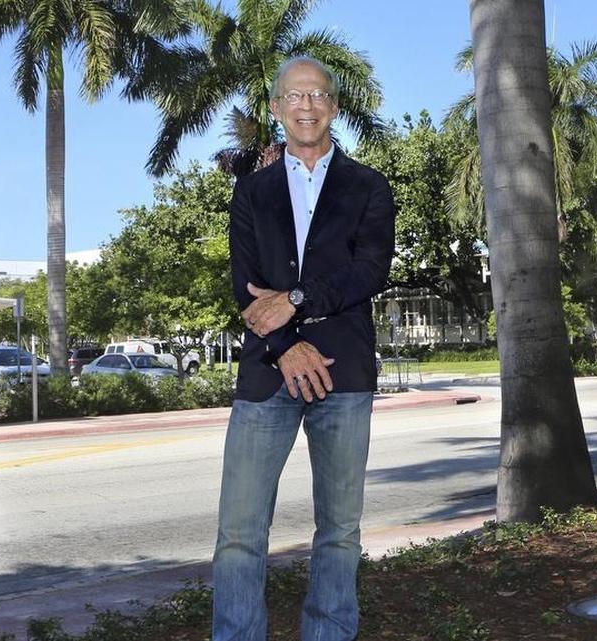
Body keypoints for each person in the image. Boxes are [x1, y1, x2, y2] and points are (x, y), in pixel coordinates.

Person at [212, 56, 395, 641]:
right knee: (239, 534)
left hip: (344, 375)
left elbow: (370, 271)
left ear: (334, 108)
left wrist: (295, 297)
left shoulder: (368, 186)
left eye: (318, 95)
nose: (307, 105)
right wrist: (287, 343)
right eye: (295, 96)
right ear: (276, 108)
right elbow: (245, 287)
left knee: (340, 531)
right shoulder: (252, 192)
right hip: (268, 374)